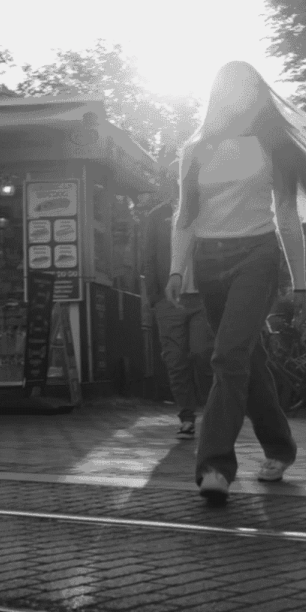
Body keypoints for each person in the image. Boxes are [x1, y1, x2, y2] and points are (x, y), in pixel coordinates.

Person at [168, 61, 306, 502]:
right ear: (218, 94)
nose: (238, 98)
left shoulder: (271, 147)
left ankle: (215, 467)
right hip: (208, 261)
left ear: (257, 96)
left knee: (226, 355)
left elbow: (286, 217)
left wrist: (300, 283)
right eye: (230, 89)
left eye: (247, 90)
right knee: (247, 358)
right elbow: (185, 217)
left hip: (257, 257)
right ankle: (280, 448)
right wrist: (176, 269)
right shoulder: (195, 149)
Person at [141, 161, 212, 438]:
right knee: (175, 359)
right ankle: (186, 417)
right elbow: (147, 258)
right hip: (168, 302)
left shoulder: (207, 211)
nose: (179, 181)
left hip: (202, 298)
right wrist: (155, 299)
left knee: (202, 353)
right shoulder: (156, 217)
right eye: (174, 176)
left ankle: (213, 409)